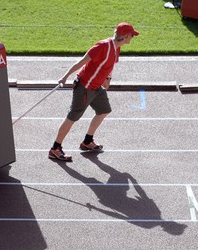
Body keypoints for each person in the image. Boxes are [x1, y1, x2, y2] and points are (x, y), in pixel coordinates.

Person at [48, 22, 139, 161]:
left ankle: (87, 142)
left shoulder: (117, 48)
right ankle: (55, 148)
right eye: (132, 35)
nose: (133, 37)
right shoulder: (102, 46)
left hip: (97, 87)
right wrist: (65, 77)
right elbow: (82, 62)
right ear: (125, 36)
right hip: (84, 87)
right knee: (72, 117)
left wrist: (107, 79)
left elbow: (109, 66)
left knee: (104, 110)